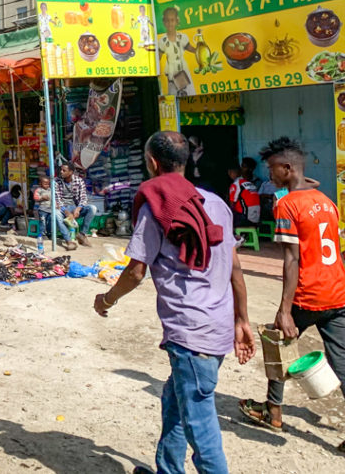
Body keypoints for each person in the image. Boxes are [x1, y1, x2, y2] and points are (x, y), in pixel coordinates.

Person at [94, 131, 255, 474]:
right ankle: (168, 469)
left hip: (190, 331)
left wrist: (106, 299)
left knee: (200, 425)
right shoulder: (215, 204)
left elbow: (137, 272)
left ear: (152, 163)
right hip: (217, 325)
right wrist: (241, 319)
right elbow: (235, 269)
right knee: (175, 402)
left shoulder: (159, 209)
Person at [238, 137, 345, 470]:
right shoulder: (324, 200)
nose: (268, 174)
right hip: (337, 295)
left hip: (309, 296)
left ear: (287, 168)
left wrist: (285, 309)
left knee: (278, 341)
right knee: (343, 367)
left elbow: (291, 260)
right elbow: (331, 252)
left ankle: (273, 411)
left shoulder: (287, 206)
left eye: (273, 168)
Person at [157, 6, 196, 97]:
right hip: (171, 72)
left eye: (172, 20)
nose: (170, 23)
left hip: (183, 71)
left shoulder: (182, 37)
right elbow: (158, 58)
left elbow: (192, 49)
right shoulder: (163, 41)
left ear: (177, 21)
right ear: (164, 22)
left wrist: (201, 49)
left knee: (189, 93)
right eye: (167, 20)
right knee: (174, 95)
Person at [55, 164, 96, 247]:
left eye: (64, 170)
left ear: (70, 172)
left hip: (75, 207)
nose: (61, 172)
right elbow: (57, 199)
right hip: (63, 208)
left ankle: (82, 234)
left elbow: (83, 198)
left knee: (92, 208)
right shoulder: (56, 182)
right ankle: (68, 241)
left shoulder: (79, 181)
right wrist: (66, 212)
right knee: (56, 214)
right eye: (61, 170)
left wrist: (78, 208)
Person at [32, 176, 76, 250]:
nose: (47, 185)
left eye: (48, 184)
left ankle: (49, 233)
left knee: (50, 222)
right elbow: (35, 197)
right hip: (42, 209)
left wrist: (57, 205)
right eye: (45, 183)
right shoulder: (39, 190)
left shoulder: (51, 190)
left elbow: (55, 199)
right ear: (40, 184)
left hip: (51, 210)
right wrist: (42, 197)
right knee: (43, 222)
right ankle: (42, 234)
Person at [228, 158, 262, 226]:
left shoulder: (237, 184)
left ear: (252, 169)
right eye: (242, 166)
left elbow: (232, 205)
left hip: (245, 218)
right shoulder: (251, 184)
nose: (243, 169)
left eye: (245, 167)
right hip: (255, 218)